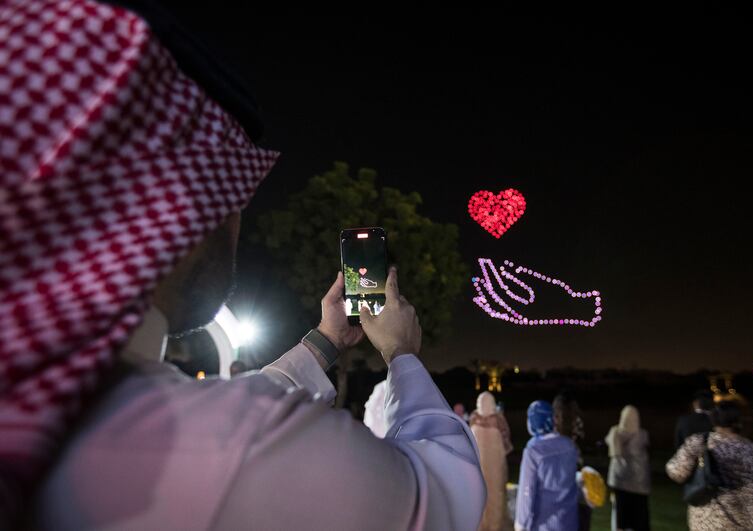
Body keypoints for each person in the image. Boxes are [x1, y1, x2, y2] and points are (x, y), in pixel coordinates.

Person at [0, 2, 486, 528]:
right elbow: (446, 494)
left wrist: (322, 342)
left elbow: (223, 407)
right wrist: (400, 354)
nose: (235, 224)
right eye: (227, 200)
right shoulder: (227, 449)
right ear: (171, 208)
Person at [667, 401, 753, 530]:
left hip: (710, 521)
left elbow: (677, 473)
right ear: (738, 422)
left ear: (713, 421)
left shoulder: (699, 443)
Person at [515, 400, 578, 531]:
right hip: (568, 521)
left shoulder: (533, 452)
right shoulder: (570, 445)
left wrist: (521, 522)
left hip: (544, 523)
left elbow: (526, 491)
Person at [470, 391, 513, 531]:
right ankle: (495, 526)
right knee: (496, 496)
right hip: (496, 468)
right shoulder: (499, 420)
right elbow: (507, 445)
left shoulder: (473, 419)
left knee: (479, 497)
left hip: (478, 468)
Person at [605, 405, 651, 531]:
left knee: (620, 520)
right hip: (640, 484)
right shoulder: (643, 435)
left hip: (620, 483)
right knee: (639, 519)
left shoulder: (615, 433)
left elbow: (608, 441)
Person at [553, 392, 590, 530]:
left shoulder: (555, 422)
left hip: (561, 465)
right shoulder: (577, 420)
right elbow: (581, 438)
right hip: (575, 464)